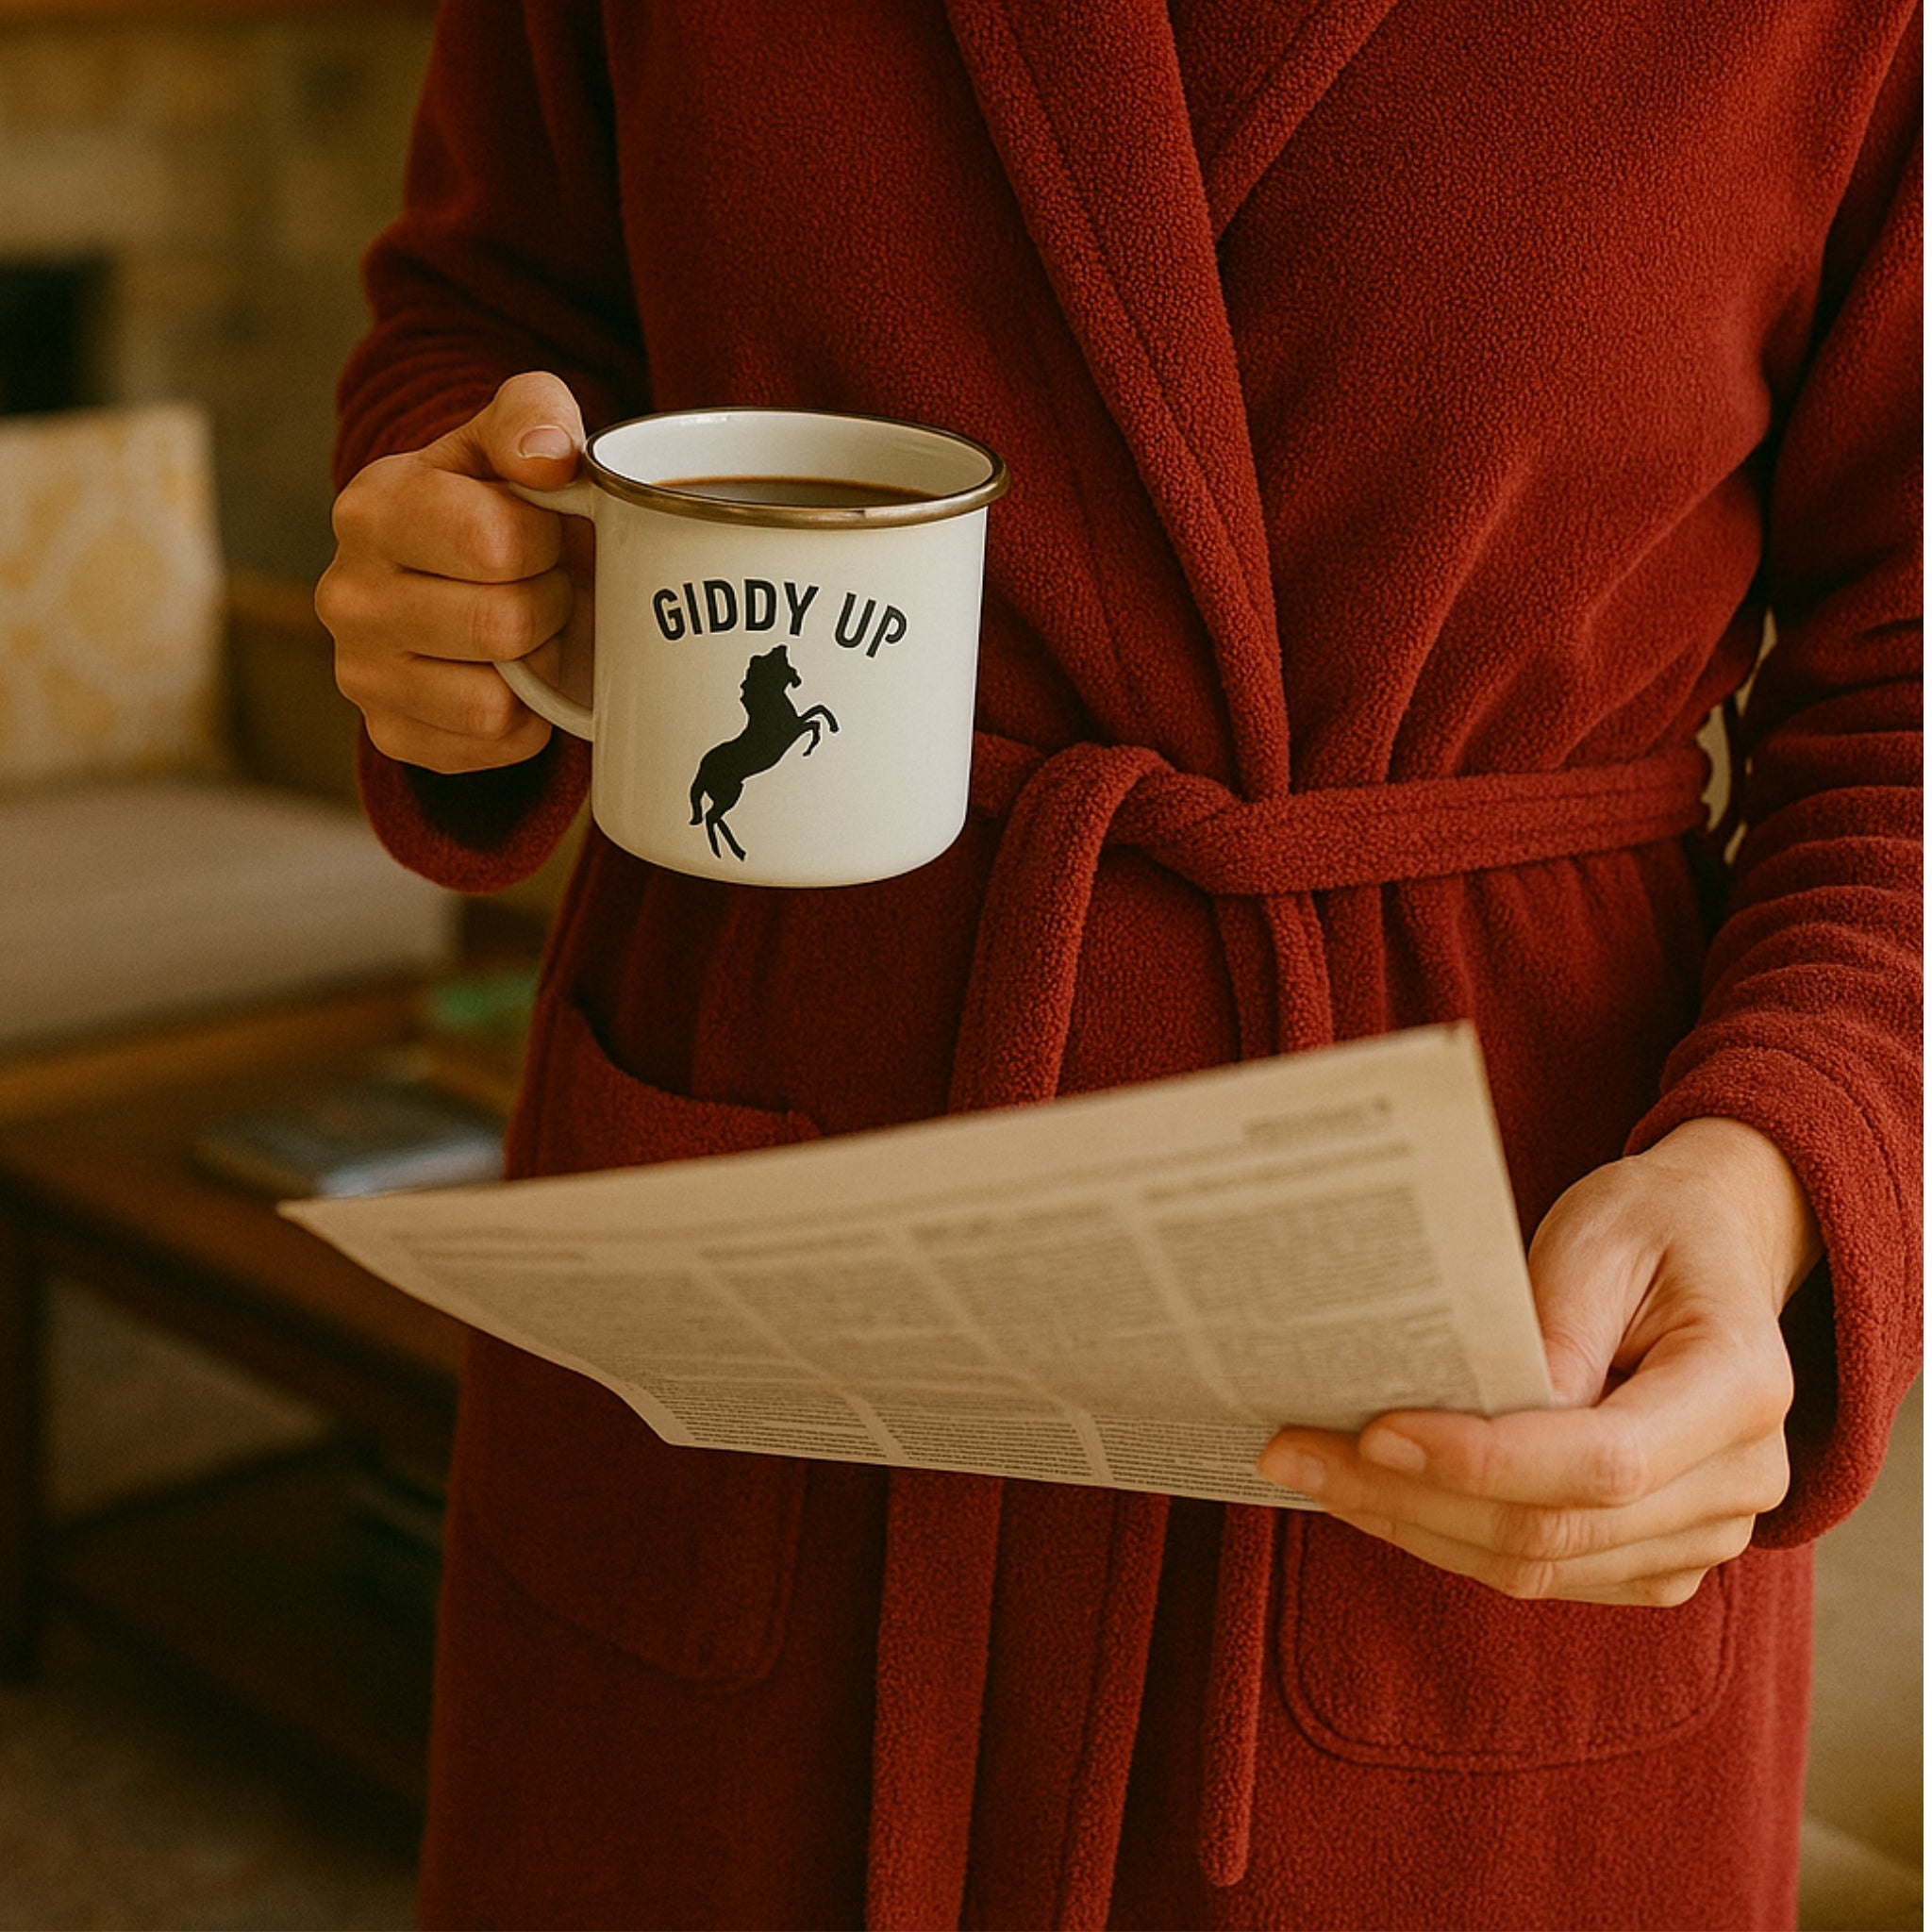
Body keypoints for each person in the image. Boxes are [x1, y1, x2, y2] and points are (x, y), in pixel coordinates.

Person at [316, 3, 1922, 1926]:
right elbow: (488, 307)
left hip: (1487, 1312)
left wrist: (1768, 1164)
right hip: (769, 1249)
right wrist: (455, 563)